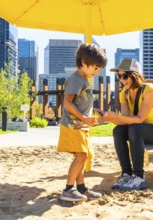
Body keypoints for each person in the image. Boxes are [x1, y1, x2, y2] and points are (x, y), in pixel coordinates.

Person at [98, 58, 153, 191]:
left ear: (135, 76)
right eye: (119, 76)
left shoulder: (149, 90)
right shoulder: (124, 93)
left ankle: (139, 176)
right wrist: (108, 118)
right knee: (118, 130)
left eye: (125, 76)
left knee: (135, 128)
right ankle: (126, 174)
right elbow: (125, 120)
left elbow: (140, 119)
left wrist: (116, 116)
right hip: (141, 130)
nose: (122, 79)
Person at [58, 44, 107, 202]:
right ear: (84, 62)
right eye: (96, 68)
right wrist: (83, 118)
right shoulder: (76, 79)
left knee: (82, 157)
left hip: (81, 125)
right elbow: (67, 103)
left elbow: (81, 102)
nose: (97, 71)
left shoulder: (85, 79)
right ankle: (68, 189)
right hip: (73, 125)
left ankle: (81, 188)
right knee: (82, 155)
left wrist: (93, 113)